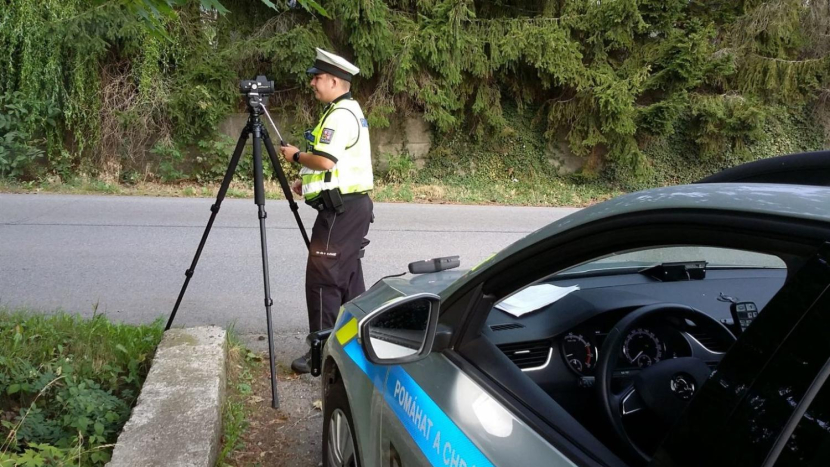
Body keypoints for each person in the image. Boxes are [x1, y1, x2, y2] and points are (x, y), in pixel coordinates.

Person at [280, 48, 374, 374]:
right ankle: (356, 343)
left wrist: (294, 156)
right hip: (350, 206)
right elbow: (338, 167)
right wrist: (308, 184)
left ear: (334, 80)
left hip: (342, 213)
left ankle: (321, 354)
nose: (312, 84)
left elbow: (325, 160)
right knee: (348, 280)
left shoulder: (339, 115)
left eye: (317, 78)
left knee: (322, 279)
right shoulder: (348, 110)